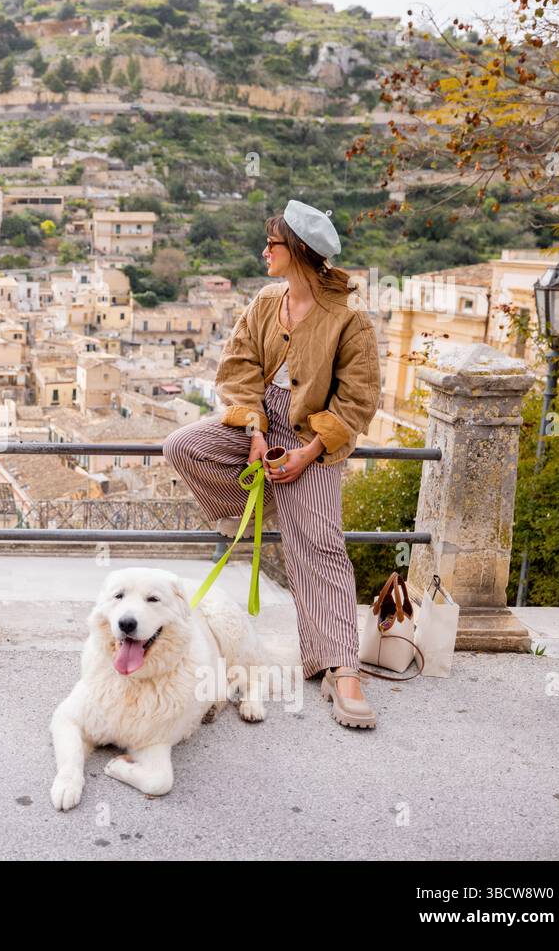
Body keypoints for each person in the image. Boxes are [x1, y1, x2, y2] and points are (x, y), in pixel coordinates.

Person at [161, 200, 382, 730]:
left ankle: (340, 667)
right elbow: (237, 368)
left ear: (299, 252)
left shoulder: (349, 322)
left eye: (272, 244)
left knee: (321, 548)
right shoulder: (265, 301)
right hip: (255, 427)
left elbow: (357, 401)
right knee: (184, 445)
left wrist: (308, 454)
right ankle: (257, 515)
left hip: (315, 437)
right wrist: (256, 431)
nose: (264, 252)